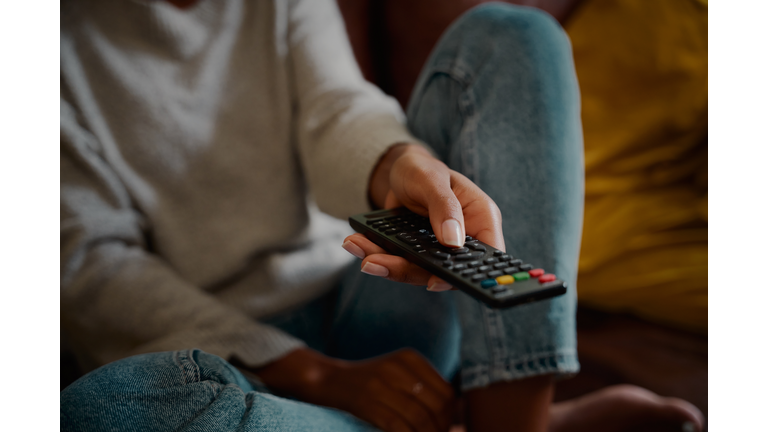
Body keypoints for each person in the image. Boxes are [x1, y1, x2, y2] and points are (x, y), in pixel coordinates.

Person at [60, 0, 704, 431]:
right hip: (225, 360)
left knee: (515, 33)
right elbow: (91, 266)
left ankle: (516, 418)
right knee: (105, 408)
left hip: (363, 287)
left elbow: (336, 108)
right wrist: (316, 374)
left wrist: (400, 164)